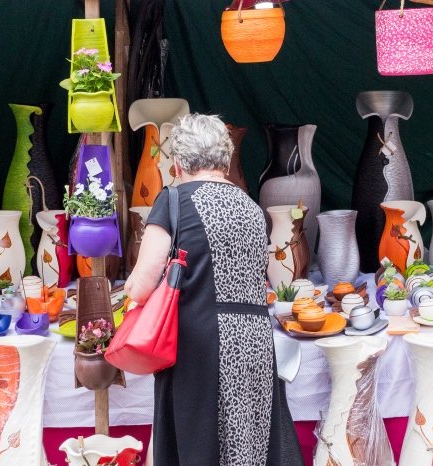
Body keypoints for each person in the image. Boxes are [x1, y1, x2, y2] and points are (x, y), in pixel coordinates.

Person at [124, 114, 301, 465]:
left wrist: (129, 291)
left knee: (198, 447)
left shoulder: (173, 200)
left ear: (177, 163)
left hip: (200, 343)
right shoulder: (251, 208)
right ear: (224, 158)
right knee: (248, 447)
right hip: (254, 343)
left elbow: (143, 284)